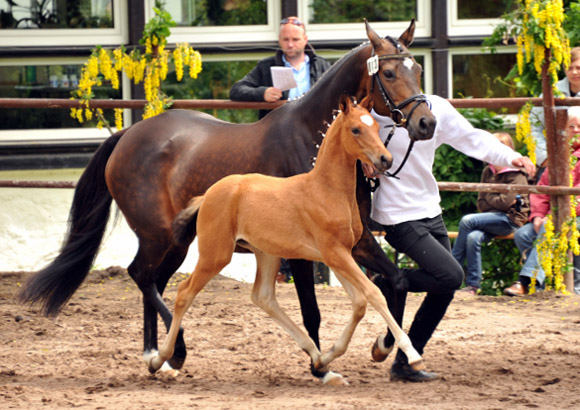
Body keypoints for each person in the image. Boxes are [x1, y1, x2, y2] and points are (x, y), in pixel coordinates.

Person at [363, 94, 535, 382]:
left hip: (430, 209)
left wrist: (509, 157)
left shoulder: (435, 107)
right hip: (395, 215)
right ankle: (393, 282)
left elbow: (471, 137)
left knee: (443, 288)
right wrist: (361, 160)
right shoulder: (368, 110)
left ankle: (405, 362)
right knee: (451, 277)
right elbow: (343, 137)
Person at [505, 106, 580, 296]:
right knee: (523, 234)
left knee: (551, 229)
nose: (575, 131)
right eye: (571, 127)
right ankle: (542, 285)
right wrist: (538, 216)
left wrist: (557, 217)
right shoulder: (556, 158)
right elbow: (541, 191)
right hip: (553, 217)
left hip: (573, 217)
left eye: (579, 127)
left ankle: (527, 281)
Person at [452, 132, 530, 295]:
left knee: (467, 220)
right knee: (473, 237)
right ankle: (473, 286)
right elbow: (481, 203)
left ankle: (450, 272)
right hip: (490, 219)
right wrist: (496, 200)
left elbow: (505, 203)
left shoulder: (516, 172)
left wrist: (491, 198)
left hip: (510, 220)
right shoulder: (488, 171)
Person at [229, 16, 331, 120]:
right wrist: (263, 93)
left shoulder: (322, 66)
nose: (290, 44)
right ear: (279, 39)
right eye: (286, 39)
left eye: (295, 39)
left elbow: (339, 94)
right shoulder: (266, 66)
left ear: (305, 39)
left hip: (314, 128)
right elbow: (236, 91)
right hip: (277, 130)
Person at [531, 47, 580, 172]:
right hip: (554, 159)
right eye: (569, 68)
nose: (574, 72)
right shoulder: (551, 91)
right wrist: (545, 157)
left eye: (578, 68)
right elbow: (533, 126)